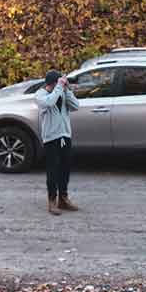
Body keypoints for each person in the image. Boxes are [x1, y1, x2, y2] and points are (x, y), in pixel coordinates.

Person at [36, 69, 80, 215]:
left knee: (65, 169)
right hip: (51, 137)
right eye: (58, 83)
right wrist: (60, 87)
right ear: (52, 84)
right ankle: (52, 200)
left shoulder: (61, 92)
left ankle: (63, 198)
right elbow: (49, 103)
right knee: (53, 170)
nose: (61, 85)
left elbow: (75, 106)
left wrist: (67, 90)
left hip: (65, 135)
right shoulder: (40, 95)